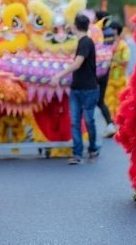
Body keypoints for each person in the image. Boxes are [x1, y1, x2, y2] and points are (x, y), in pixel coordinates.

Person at [50, 14, 100, 165]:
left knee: (89, 120)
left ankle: (92, 148)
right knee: (75, 122)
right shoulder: (81, 42)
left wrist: (58, 75)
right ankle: (77, 153)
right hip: (77, 88)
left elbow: (77, 64)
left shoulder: (86, 42)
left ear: (74, 26)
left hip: (88, 89)